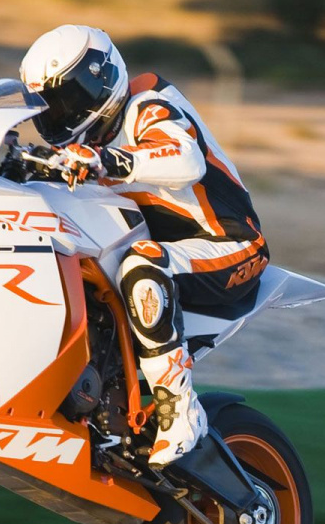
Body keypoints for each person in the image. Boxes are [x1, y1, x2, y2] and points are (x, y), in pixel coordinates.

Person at [18, 24, 268, 467]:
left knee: (141, 265)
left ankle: (180, 409)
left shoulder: (148, 104)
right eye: (51, 107)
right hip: (173, 251)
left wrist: (108, 160)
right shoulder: (83, 149)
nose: (62, 114)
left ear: (100, 80)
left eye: (69, 99)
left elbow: (184, 160)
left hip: (229, 246)